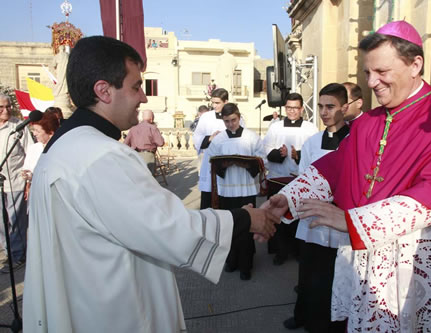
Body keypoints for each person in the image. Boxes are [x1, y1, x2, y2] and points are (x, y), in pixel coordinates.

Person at [22, 36, 279, 332]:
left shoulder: (65, 143)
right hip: (111, 312)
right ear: (103, 91)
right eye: (136, 86)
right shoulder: (100, 156)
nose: (143, 98)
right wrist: (248, 218)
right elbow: (168, 227)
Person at [263, 21, 431, 332]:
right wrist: (288, 197)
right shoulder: (367, 122)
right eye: (368, 73)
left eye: (381, 72)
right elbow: (337, 165)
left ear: (415, 65)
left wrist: (352, 221)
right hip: (369, 257)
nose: (371, 82)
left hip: (418, 258)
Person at [283, 83, 350, 331]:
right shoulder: (312, 142)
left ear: (344, 107)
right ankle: (304, 316)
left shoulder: (354, 140)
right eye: (320, 106)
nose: (324, 112)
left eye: (330, 106)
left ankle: (333, 323)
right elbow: (303, 179)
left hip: (340, 218)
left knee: (335, 275)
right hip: (312, 217)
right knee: (309, 272)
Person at [205, 103, 266, 281]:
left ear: (239, 117)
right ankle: (231, 260)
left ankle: (246, 265)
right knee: (229, 226)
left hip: (246, 189)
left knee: (247, 226)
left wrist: (248, 163)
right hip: (226, 190)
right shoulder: (218, 140)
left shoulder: (251, 136)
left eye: (233, 120)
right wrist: (224, 164)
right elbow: (211, 162)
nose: (231, 124)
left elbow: (262, 159)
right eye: (227, 122)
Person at [262, 92, 317, 265]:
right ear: (285, 108)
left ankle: (298, 250)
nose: (292, 111)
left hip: (300, 180)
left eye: (295, 108)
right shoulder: (275, 127)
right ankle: (280, 251)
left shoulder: (310, 129)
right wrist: (279, 153)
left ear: (301, 109)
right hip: (279, 177)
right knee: (279, 216)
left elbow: (314, 154)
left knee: (298, 216)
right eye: (288, 108)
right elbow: (265, 150)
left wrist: (298, 155)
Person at [193, 88, 244, 209]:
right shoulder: (206, 117)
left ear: (225, 102)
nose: (214, 105)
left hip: (229, 163)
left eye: (217, 103)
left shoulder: (237, 118)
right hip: (210, 163)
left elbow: (242, 138)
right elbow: (197, 137)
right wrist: (210, 138)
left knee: (228, 201)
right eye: (213, 102)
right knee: (209, 200)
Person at [0, 94, 33, 274]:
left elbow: (30, 151)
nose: (6, 110)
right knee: (2, 223)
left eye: (8, 106)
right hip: (0, 183)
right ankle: (8, 252)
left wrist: (28, 179)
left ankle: (18, 255)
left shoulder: (18, 127)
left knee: (16, 221)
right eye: (1, 108)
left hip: (16, 183)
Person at [21, 112, 60, 199]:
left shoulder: (60, 149)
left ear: (50, 133)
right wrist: (27, 176)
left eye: (37, 131)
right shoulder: (33, 148)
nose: (34, 134)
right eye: (33, 130)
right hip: (36, 193)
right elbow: (28, 169)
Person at [124, 109, 165, 175]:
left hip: (135, 156)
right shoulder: (152, 128)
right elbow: (161, 143)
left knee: (137, 178)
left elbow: (125, 144)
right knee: (148, 180)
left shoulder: (133, 128)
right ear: (151, 118)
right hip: (148, 156)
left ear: (142, 117)